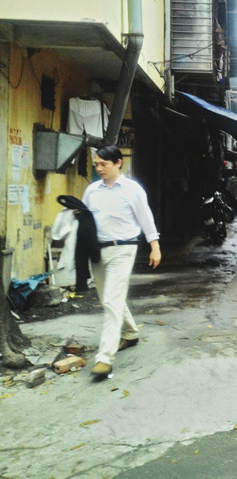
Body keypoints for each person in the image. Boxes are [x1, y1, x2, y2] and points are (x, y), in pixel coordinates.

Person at [82, 145, 161, 379]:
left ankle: (104, 358)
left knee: (111, 300)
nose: (99, 169)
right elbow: (84, 218)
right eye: (96, 164)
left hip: (124, 248)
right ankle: (130, 332)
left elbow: (146, 218)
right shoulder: (92, 190)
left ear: (118, 163)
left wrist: (155, 246)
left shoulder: (132, 189)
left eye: (103, 164)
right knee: (108, 298)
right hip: (98, 251)